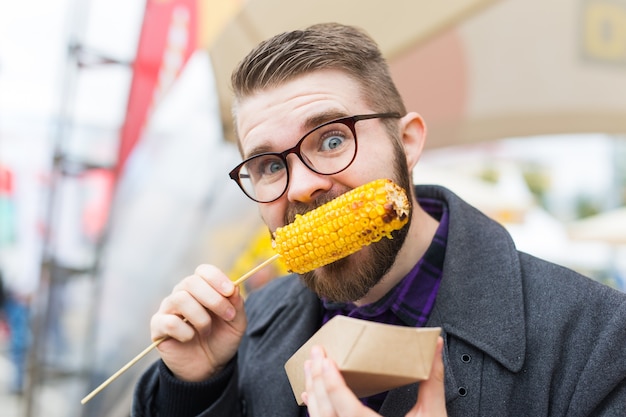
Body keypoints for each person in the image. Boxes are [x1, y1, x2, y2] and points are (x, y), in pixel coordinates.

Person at [132, 23, 626, 416]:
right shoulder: (241, 335)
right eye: (268, 165)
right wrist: (195, 389)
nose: (302, 186)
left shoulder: (598, 340)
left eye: (331, 140)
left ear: (407, 143)